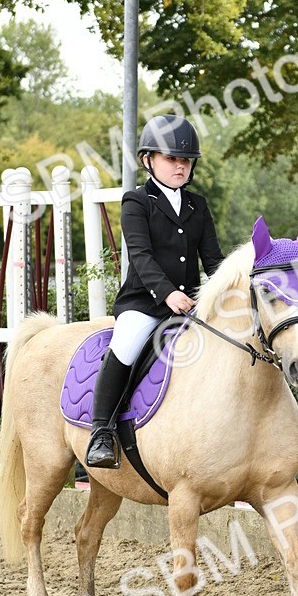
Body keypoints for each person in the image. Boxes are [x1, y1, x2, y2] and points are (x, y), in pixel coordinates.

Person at [85, 114, 224, 468]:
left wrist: (228, 293)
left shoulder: (198, 205)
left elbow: (213, 260)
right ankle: (101, 433)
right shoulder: (136, 201)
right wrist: (166, 294)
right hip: (145, 303)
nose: (180, 166)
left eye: (185, 161)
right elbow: (141, 256)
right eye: (171, 159)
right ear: (149, 160)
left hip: (190, 304)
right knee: (127, 344)